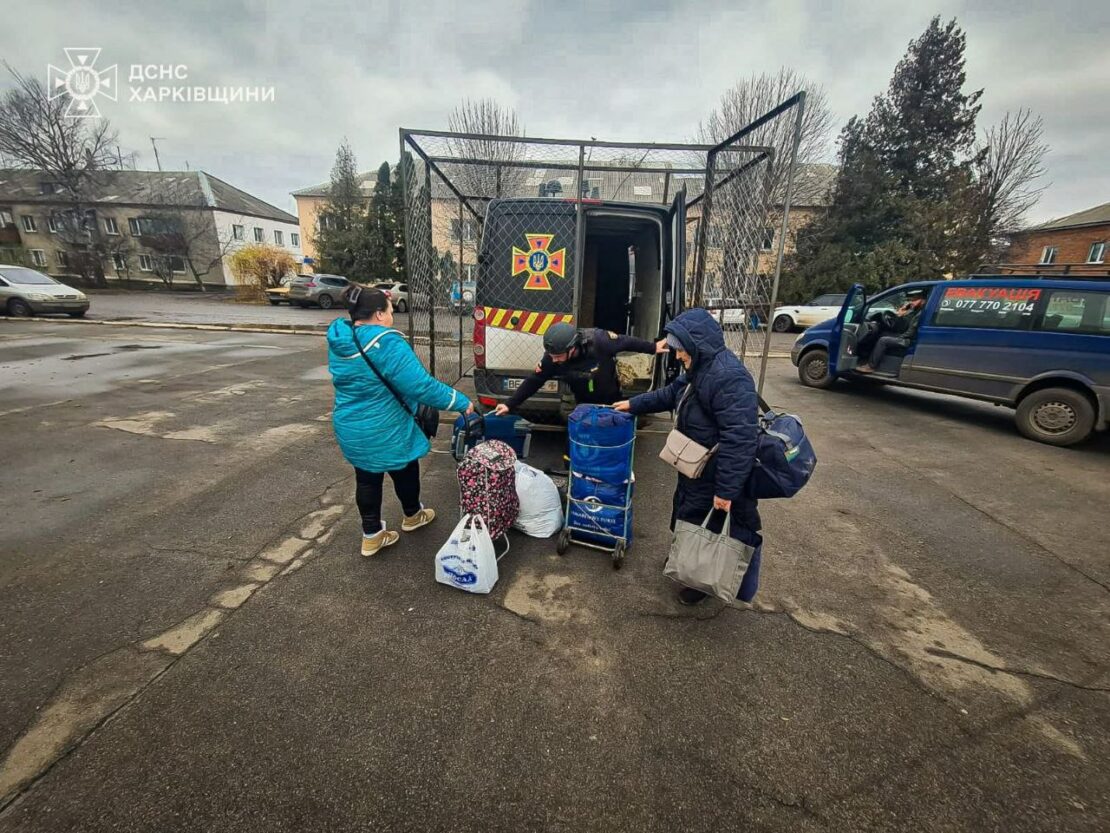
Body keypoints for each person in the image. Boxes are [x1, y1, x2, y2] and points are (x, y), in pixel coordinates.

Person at [614, 308, 762, 606]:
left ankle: (702, 582)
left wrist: (726, 491)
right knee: (688, 513)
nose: (677, 355)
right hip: (697, 466)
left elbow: (740, 439)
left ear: (696, 344)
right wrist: (632, 403)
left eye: (680, 349)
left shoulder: (728, 378)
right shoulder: (699, 369)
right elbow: (668, 395)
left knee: (707, 523)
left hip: (716, 472)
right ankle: (685, 557)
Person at [327, 286, 473, 557]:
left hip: (351, 426)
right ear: (380, 315)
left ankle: (371, 536)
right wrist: (461, 402)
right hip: (385, 426)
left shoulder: (342, 338)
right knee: (405, 468)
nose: (393, 315)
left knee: (367, 478)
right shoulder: (387, 342)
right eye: (391, 310)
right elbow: (421, 386)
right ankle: (413, 515)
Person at [493, 322, 669, 415]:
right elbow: (534, 381)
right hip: (580, 401)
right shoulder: (552, 357)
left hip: (610, 398)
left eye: (558, 356)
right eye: (551, 356)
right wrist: (509, 404)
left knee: (608, 435)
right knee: (578, 437)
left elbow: (627, 342)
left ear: (572, 348)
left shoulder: (599, 341)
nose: (554, 360)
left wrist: (653, 348)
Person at [857, 291, 928, 374]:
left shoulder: (920, 313)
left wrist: (900, 335)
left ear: (923, 300)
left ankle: (871, 366)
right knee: (883, 334)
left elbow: (910, 332)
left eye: (915, 300)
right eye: (911, 300)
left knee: (883, 340)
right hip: (907, 336)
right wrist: (905, 310)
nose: (911, 302)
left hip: (908, 339)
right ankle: (866, 357)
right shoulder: (916, 311)